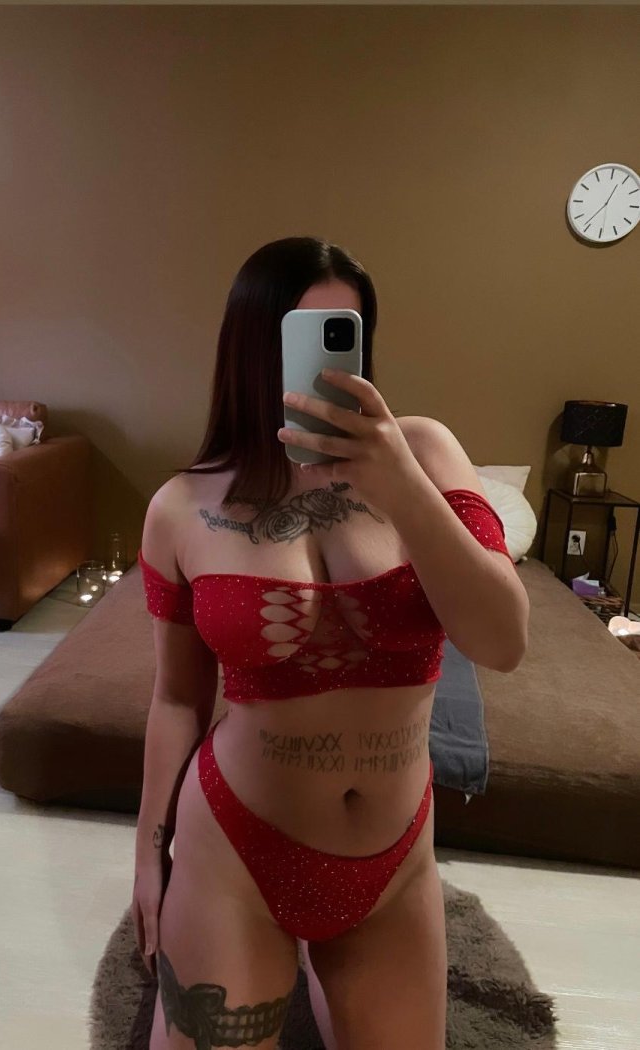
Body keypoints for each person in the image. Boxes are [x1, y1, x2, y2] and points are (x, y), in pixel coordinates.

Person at [131, 237, 529, 1050]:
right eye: (299, 338)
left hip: (394, 863)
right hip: (234, 852)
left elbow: (501, 640)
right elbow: (176, 697)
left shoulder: (424, 453)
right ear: (252, 348)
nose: (322, 368)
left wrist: (399, 485)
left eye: (342, 335)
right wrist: (147, 854)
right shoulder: (182, 506)